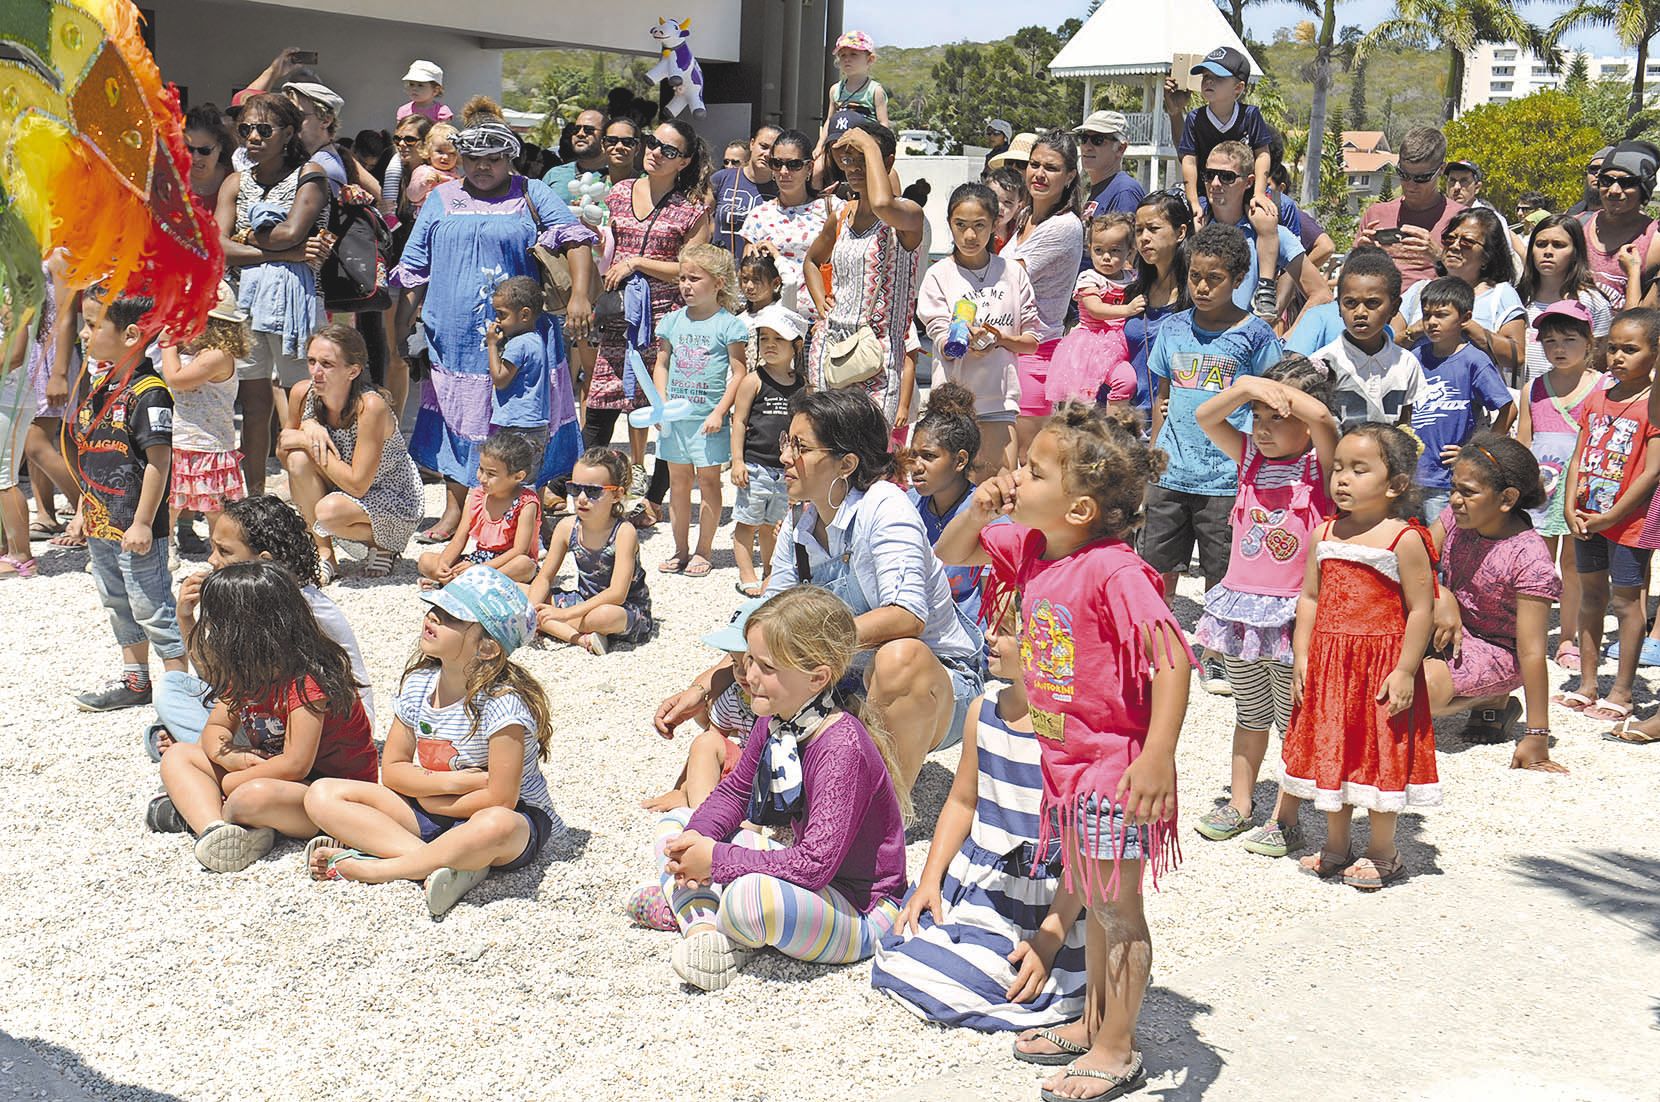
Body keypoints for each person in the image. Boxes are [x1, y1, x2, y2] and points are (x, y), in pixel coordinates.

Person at [934, 404, 1191, 1097]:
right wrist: (981, 503)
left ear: (1079, 507)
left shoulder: (1115, 571)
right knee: (1099, 905)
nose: (1017, 476)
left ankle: (1116, 1049)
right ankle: (1092, 1024)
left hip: (1113, 769)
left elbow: (1173, 658)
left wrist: (1158, 754)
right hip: (1067, 770)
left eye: (1033, 470)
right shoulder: (1038, 550)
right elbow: (951, 554)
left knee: (1117, 911)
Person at [654, 388, 984, 787]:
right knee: (747, 683)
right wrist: (703, 686)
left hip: (941, 685)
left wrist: (800, 643)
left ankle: (881, 811)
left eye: (800, 447)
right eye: (786, 442)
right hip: (846, 677)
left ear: (846, 463)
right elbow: (766, 626)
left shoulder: (885, 508)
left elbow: (906, 617)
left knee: (898, 658)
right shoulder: (798, 525)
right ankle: (749, 789)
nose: (785, 458)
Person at [656, 586, 909, 992]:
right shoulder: (776, 718)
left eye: (766, 667)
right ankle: (705, 932)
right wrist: (696, 840)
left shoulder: (841, 746)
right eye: (750, 660)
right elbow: (736, 792)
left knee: (750, 899)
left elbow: (814, 864)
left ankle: (696, 911)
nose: (749, 676)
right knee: (676, 826)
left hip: (860, 907)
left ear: (817, 677)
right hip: (808, 882)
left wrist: (716, 861)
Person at [870, 598, 1086, 1032]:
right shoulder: (984, 709)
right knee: (908, 948)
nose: (988, 636)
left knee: (997, 975)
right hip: (982, 881)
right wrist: (930, 880)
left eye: (1005, 630)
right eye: (991, 624)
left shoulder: (1076, 730)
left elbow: (1084, 841)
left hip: (1051, 895)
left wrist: (1049, 938)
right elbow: (963, 801)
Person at [305, 566, 563, 917]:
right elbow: (393, 771)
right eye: (435, 609)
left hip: (511, 820)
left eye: (450, 617)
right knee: (322, 794)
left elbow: (502, 798)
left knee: (495, 825)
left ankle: (380, 868)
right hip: (434, 804)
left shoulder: (502, 703)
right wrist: (453, 784)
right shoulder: (419, 684)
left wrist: (434, 798)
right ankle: (444, 865)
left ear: (487, 647)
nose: (433, 617)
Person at [394, 103, 598, 541]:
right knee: (458, 420)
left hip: (522, 339)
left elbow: (576, 239)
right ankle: (457, 512)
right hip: (454, 340)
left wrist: (580, 296)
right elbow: (414, 266)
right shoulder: (440, 198)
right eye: (473, 159)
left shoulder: (532, 191)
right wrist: (401, 325)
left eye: (493, 159)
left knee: (523, 422)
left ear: (510, 158)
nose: (482, 167)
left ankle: (525, 514)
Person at [1190, 359, 1338, 852]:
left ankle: (1287, 816)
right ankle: (1239, 803)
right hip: (1240, 610)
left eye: (1278, 417)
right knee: (1249, 712)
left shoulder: (1322, 466)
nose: (1264, 427)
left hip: (1292, 614)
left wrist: (1283, 395)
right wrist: (1250, 387)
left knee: (1290, 718)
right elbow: (1206, 417)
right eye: (1258, 415)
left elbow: (1325, 420)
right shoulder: (1250, 457)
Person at [1283, 423, 1439, 890]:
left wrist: (1407, 669)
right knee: (1334, 748)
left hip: (1379, 666)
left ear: (1396, 484)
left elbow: (1421, 608)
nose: (1343, 479)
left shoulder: (1403, 539)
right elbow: (1310, 597)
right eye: (1337, 469)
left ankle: (1384, 851)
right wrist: (1302, 654)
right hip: (1331, 664)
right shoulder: (1325, 532)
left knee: (1377, 753)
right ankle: (1336, 845)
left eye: (1359, 469)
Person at [155, 561, 378, 873]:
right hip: (276, 778)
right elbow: (216, 727)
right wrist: (231, 756)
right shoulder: (248, 673)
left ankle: (225, 814)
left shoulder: (307, 682)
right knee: (179, 756)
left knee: (251, 797)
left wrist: (233, 779)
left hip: (330, 795)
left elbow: (295, 764)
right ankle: (216, 830)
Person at [1145, 223, 1284, 692]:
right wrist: (1153, 451)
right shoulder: (1172, 328)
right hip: (1169, 469)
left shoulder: (1255, 335)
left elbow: (1273, 396)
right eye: (1196, 277)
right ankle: (1155, 639)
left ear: (1239, 276)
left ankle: (1217, 651)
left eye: (1215, 278)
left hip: (1228, 476)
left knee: (1223, 569)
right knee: (1158, 561)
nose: (1202, 287)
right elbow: (1160, 397)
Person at [146, 495, 374, 762]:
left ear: (263, 561)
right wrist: (186, 618)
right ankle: (203, 750)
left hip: (320, 728)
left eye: (224, 551)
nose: (211, 560)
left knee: (184, 732)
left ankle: (205, 755)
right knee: (173, 685)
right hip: (274, 714)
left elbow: (298, 695)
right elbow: (218, 680)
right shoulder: (252, 598)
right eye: (213, 548)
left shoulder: (299, 610)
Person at [585, 117, 710, 522]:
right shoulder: (619, 192)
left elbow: (693, 266)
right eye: (653, 143)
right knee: (600, 405)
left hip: (664, 320)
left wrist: (637, 261)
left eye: (668, 150)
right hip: (619, 314)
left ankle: (653, 502)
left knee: (663, 413)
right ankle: (591, 493)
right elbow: (606, 245)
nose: (655, 152)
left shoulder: (692, 210)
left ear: (684, 161)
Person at [68, 293, 184, 711]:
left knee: (151, 604)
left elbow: (159, 461)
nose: (83, 334)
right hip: (102, 521)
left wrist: (142, 522)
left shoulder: (149, 393)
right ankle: (136, 680)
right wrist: (83, 509)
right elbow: (94, 453)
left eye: (93, 324)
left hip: (136, 527)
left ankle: (179, 690)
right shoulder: (103, 384)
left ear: (131, 334)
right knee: (116, 601)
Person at [1419, 436, 1563, 771]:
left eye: (1467, 492)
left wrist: (1537, 735)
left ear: (1507, 499)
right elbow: (1414, 561)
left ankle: (1494, 698)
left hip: (1500, 651)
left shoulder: (1529, 557)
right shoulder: (1455, 519)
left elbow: (1530, 650)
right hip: (1449, 627)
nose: (1455, 500)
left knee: (1420, 690)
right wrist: (1444, 595)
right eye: (1454, 488)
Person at [214, 92, 332, 497]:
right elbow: (217, 245)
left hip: (294, 304)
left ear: (288, 132)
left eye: (264, 129)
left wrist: (251, 238)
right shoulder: (235, 181)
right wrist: (289, 253)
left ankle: (311, 494)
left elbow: (291, 231)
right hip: (243, 306)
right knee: (252, 405)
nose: (253, 137)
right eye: (245, 129)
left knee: (304, 400)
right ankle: (256, 495)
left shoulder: (310, 175)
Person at [1557, 309, 1660, 723]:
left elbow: (1653, 470)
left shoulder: (1653, 405)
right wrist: (1569, 506)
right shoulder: (1597, 397)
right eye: (1612, 347)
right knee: (1590, 597)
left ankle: (1622, 691)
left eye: (1631, 349)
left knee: (1626, 602)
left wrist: (1613, 515)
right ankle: (1586, 683)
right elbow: (1578, 455)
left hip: (1628, 524)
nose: (1618, 356)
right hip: (1587, 518)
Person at [279, 324, 423, 579]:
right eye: (312, 361)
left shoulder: (370, 406)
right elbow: (284, 452)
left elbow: (358, 485)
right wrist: (307, 430)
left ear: (353, 371)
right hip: (342, 485)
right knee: (298, 461)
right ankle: (324, 556)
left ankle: (385, 543)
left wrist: (306, 441)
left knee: (328, 511)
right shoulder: (303, 393)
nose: (316, 372)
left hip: (391, 494)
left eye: (327, 364)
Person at [804, 118, 924, 422]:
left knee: (869, 458)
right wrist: (821, 302)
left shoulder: (906, 214)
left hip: (879, 358)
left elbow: (883, 205)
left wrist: (869, 144)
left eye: (863, 159)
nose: (854, 167)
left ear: (888, 162)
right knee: (826, 453)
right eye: (848, 160)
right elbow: (812, 262)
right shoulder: (841, 215)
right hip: (830, 350)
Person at [917, 181, 1041, 476]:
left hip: (999, 401)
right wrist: (958, 340)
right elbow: (939, 334)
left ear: (995, 223)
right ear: (949, 224)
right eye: (960, 225)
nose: (970, 235)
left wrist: (1002, 340)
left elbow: (1032, 341)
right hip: (952, 407)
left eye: (979, 225)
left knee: (998, 493)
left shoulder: (1012, 273)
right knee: (953, 496)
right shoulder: (938, 275)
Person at [653, 243, 749, 576]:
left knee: (709, 484)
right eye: (682, 278)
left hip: (709, 420)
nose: (685, 285)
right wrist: (660, 403)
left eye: (695, 278)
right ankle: (680, 549)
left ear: (718, 283)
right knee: (678, 484)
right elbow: (661, 364)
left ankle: (703, 550)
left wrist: (720, 411)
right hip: (676, 421)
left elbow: (739, 373)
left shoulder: (728, 325)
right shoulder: (672, 321)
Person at [1518, 302, 1603, 672]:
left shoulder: (1604, 386)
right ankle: (1532, 633)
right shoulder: (1533, 388)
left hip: (1583, 487)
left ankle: (1567, 636)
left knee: (1573, 564)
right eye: (1550, 340)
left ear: (1590, 342)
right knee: (1537, 564)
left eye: (1570, 339)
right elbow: (1523, 442)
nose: (1559, 348)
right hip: (1541, 489)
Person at [639, 598, 766, 828]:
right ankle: (702, 822)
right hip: (745, 777)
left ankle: (742, 832)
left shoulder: (784, 699)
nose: (740, 673)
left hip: (778, 781)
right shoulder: (735, 696)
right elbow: (711, 739)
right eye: (734, 663)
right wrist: (683, 787)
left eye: (748, 662)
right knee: (706, 741)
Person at [997, 131, 1084, 458]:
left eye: (1051, 167)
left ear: (1070, 175)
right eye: (1034, 165)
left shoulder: (1064, 226)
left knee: (1026, 465)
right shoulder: (1023, 218)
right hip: (1007, 351)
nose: (1040, 174)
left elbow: (1006, 276)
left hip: (1036, 355)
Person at [1407, 277, 1517, 520]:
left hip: (1447, 481)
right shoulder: (1414, 356)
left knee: (1442, 549)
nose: (1432, 322)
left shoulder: (1474, 361)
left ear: (1465, 318)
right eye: (1427, 315)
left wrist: (1476, 452)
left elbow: (1508, 408)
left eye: (1442, 315)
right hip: (1410, 478)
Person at [529, 445, 653, 653]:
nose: (582, 498)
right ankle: (579, 638)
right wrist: (530, 609)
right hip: (583, 600)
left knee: (602, 616)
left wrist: (564, 614)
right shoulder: (567, 527)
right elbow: (544, 577)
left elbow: (617, 594)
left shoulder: (624, 532)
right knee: (521, 591)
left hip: (623, 609)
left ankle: (549, 625)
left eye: (593, 491)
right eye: (575, 489)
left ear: (617, 495)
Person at [1200, 141, 1329, 333]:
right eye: (1210, 175)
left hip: (1251, 353)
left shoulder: (1274, 234)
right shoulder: (1195, 228)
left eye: (1227, 177)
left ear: (1249, 182)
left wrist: (1288, 345)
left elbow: (1321, 295)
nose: (1216, 183)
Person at [160, 284, 250, 557]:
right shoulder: (203, 353)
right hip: (189, 440)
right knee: (174, 501)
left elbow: (176, 379)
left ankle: (220, 550)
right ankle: (167, 545)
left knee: (214, 508)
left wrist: (167, 343)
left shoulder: (216, 356)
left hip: (206, 444)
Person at [1396, 207, 1526, 382]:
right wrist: (1416, 331)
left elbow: (1517, 356)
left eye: (1467, 242)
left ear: (1487, 256)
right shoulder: (1418, 291)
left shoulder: (1501, 295)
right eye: (1449, 239)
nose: (1455, 246)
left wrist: (1465, 325)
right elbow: (1387, 345)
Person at [730, 303, 807, 597]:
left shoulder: (803, 386)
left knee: (773, 524)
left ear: (795, 346)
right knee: (748, 522)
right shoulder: (754, 380)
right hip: (755, 467)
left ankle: (771, 572)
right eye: (764, 339)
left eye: (778, 340)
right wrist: (737, 461)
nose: (770, 345)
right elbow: (739, 422)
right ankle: (746, 573)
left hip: (785, 470)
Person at [1312, 248, 1423, 429]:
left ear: (1394, 308)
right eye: (1350, 303)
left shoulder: (1406, 363)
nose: (1360, 313)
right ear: (1339, 306)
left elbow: (1405, 426)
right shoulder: (1323, 363)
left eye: (1372, 303)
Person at [487, 275, 580, 487]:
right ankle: (534, 518)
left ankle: (521, 519)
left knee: (512, 481)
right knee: (529, 479)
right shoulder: (537, 340)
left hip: (517, 423)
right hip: (536, 423)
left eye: (502, 315)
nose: (497, 321)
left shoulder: (518, 345)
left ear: (525, 315)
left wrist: (492, 345)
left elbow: (500, 379)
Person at [906, 382, 986, 626]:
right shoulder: (906, 505)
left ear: (960, 460)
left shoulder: (985, 513)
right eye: (913, 455)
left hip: (968, 639)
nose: (916, 466)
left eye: (929, 456)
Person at [418, 431, 542, 586]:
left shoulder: (526, 503)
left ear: (518, 476)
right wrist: (444, 564)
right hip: (478, 561)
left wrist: (479, 570)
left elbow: (519, 550)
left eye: (491, 474)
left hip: (504, 564)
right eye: (481, 469)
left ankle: (463, 584)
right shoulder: (477, 497)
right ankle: (467, 583)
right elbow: (458, 540)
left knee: (524, 565)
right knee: (426, 561)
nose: (482, 478)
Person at [740, 128, 838, 322]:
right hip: (774, 325)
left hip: (822, 320)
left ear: (809, 168)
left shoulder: (833, 209)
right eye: (777, 164)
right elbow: (750, 275)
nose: (784, 172)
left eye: (793, 165)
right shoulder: (758, 217)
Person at [1046, 212, 1140, 407]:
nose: (1106, 257)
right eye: (1099, 250)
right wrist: (1128, 309)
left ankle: (1115, 426)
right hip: (1090, 345)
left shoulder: (1132, 276)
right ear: (1089, 249)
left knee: (1126, 382)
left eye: (1115, 251)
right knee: (1081, 398)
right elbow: (1095, 309)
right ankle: (1079, 430)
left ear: (1130, 251)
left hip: (1121, 342)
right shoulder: (1089, 278)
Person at [1355, 126, 1463, 291]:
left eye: (1422, 178)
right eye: (1403, 174)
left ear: (1441, 170)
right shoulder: (1376, 214)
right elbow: (1351, 276)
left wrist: (1439, 256)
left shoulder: (1462, 219)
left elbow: (1478, 281)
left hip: (1433, 308)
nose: (1411, 185)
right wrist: (1362, 255)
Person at [1173, 46, 1271, 224]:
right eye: (1206, 77)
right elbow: (1189, 160)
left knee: (1277, 210)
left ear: (1238, 88)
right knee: (1193, 221)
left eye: (1218, 78)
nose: (1209, 82)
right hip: (1208, 193)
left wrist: (1258, 193)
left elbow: (1262, 154)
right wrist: (1194, 201)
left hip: (1245, 191)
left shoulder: (1250, 115)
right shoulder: (1195, 118)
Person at [1517, 213, 1614, 385]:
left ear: (1575, 252)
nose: (1548, 252)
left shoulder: (1591, 301)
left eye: (1558, 245)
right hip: (1522, 395)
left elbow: (1598, 360)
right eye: (1540, 244)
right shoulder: (1519, 297)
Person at [1122, 191, 1194, 415]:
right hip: (1128, 421)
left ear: (1180, 232)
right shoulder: (1132, 293)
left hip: (1172, 417)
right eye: (1138, 230)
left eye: (1153, 229)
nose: (1144, 238)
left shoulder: (1196, 297)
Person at [1577, 140, 1660, 310]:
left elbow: (1647, 315)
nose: (1614, 190)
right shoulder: (1577, 226)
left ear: (1644, 189)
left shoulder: (1654, 241)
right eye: (1607, 180)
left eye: (1627, 183)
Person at [710, 124, 780, 260]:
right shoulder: (723, 177)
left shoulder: (781, 188)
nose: (767, 154)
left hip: (757, 275)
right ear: (752, 144)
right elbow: (702, 217)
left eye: (774, 150)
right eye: (763, 146)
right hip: (719, 269)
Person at [820, 29, 890, 139]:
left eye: (854, 54)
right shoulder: (835, 90)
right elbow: (829, 120)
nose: (847, 59)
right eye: (842, 55)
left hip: (866, 142)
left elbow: (883, 124)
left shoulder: (875, 91)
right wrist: (820, 145)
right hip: (838, 140)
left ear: (870, 59)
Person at [1075, 111, 1145, 221]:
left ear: (1120, 148)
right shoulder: (1101, 189)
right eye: (1083, 138)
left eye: (1098, 140)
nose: (1087, 147)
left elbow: (1124, 237)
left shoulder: (1125, 192)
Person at [183, 104, 237, 210]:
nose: (196, 157)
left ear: (220, 146)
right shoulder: (170, 180)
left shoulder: (233, 180)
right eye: (189, 149)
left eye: (204, 150)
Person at [542, 109, 608, 193]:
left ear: (605, 136)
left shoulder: (618, 175)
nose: (580, 134)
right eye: (576, 129)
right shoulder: (554, 175)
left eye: (588, 129)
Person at [404, 123, 459, 212]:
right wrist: (424, 183)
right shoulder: (424, 171)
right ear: (429, 151)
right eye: (439, 152)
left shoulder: (455, 174)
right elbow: (412, 196)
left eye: (451, 153)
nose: (445, 157)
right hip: (428, 215)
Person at [985, 165, 1029, 253]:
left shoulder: (1019, 233)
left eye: (1008, 202)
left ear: (1018, 207)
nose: (999, 207)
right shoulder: (979, 232)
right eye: (994, 199)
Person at [1568, 146, 1612, 217]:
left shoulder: (1627, 216)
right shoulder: (1572, 214)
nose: (1597, 174)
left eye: (1604, 169)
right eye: (1593, 169)